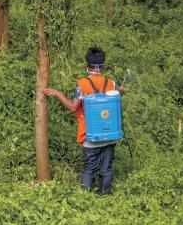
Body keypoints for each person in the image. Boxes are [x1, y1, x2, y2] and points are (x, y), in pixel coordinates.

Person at [43, 47, 123, 195]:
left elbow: (73, 107)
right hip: (110, 135)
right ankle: (105, 196)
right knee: (106, 169)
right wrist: (121, 90)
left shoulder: (82, 84)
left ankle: (85, 197)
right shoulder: (112, 84)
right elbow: (116, 96)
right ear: (103, 66)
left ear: (87, 64)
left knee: (90, 168)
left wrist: (58, 94)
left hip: (91, 135)